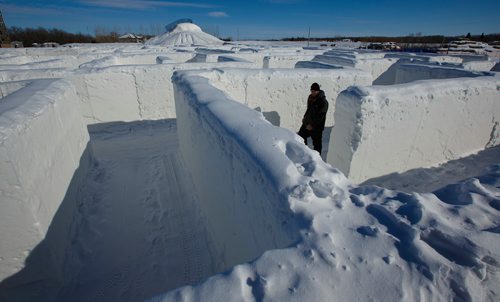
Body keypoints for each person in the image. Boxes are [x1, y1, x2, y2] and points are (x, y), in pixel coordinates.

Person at [298, 82, 329, 154]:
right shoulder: (310, 97)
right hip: (307, 123)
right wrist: (305, 118)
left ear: (318, 91)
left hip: (316, 127)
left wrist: (312, 126)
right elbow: (309, 109)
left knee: (317, 145)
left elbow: (321, 117)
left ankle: (317, 162)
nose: (313, 92)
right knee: (300, 137)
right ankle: (304, 153)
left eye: (314, 91)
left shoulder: (323, 102)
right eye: (312, 91)